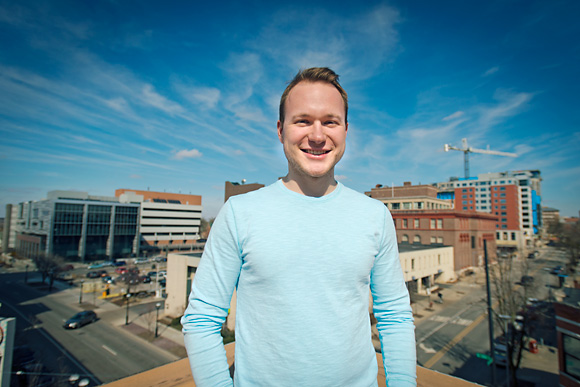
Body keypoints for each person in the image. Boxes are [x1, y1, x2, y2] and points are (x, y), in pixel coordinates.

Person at [181, 67, 416, 386]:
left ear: (346, 130)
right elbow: (201, 319)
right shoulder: (240, 212)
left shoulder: (375, 215)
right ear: (280, 130)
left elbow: (395, 317)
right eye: (303, 120)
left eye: (330, 122)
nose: (317, 136)